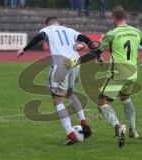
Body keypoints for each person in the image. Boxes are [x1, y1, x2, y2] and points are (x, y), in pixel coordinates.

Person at [65, 6, 142, 148]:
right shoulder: (137, 32)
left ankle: (118, 127)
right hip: (133, 74)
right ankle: (133, 130)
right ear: (125, 18)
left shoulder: (112, 33)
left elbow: (95, 52)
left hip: (117, 73)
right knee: (125, 98)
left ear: (113, 18)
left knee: (102, 103)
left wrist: (76, 61)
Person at [17, 17, 94, 145]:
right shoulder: (69, 30)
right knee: (70, 94)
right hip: (75, 64)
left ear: (48, 24)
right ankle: (83, 122)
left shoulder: (47, 30)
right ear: (59, 23)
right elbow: (85, 39)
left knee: (58, 99)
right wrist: (95, 51)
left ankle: (70, 133)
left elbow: (39, 37)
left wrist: (24, 50)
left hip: (60, 64)